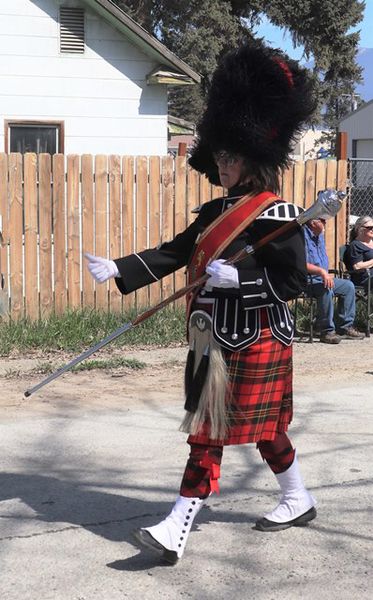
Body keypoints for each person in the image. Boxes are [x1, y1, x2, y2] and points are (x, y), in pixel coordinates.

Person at [85, 40, 318, 565]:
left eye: (231, 156)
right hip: (210, 336)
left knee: (209, 434)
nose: (224, 162)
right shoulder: (217, 208)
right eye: (220, 155)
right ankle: (297, 497)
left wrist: (242, 281)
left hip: (257, 335)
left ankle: (176, 527)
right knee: (264, 433)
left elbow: (295, 283)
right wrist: (120, 268)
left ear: (254, 156)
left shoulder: (279, 213)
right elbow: (176, 252)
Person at [304, 218, 364, 344]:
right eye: (322, 221)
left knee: (348, 286)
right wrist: (321, 272)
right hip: (306, 280)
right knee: (326, 288)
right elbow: (300, 264)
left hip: (322, 278)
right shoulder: (301, 236)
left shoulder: (319, 236)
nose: (325, 223)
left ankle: (344, 326)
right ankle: (326, 330)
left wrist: (324, 274)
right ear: (313, 223)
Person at [344, 215, 373, 291]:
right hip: (364, 278)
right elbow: (357, 266)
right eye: (370, 228)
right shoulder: (355, 245)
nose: (372, 230)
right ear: (360, 229)